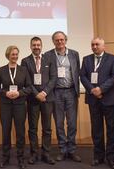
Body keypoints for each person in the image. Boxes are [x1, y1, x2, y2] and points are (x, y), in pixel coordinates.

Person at [80, 37, 114, 169]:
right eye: (92, 44)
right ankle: (98, 157)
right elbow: (83, 76)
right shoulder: (86, 59)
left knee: (112, 129)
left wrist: (101, 89)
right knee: (96, 129)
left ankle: (112, 157)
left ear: (104, 46)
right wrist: (92, 90)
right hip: (93, 99)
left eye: (97, 44)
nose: (94, 46)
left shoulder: (113, 59)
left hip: (109, 99)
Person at [44, 31, 81, 162]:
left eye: (62, 40)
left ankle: (71, 150)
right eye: (57, 40)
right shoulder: (48, 55)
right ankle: (62, 149)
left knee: (72, 123)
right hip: (56, 92)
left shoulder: (74, 54)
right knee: (59, 123)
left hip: (71, 91)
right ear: (53, 41)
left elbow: (77, 73)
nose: (60, 42)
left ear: (66, 40)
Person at [21, 37, 56, 165]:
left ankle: (46, 153)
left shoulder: (49, 59)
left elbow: (53, 78)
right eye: (34, 45)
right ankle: (34, 153)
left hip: (47, 98)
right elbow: (27, 81)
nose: (36, 47)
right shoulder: (25, 61)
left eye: (38, 45)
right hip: (33, 99)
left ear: (41, 46)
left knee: (47, 128)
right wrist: (37, 94)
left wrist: (44, 92)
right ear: (30, 46)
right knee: (33, 128)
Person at [0, 45, 32, 169]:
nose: (15, 56)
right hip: (5, 105)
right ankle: (5, 158)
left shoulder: (24, 70)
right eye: (12, 54)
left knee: (20, 132)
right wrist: (5, 93)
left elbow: (29, 87)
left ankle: (20, 158)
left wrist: (19, 93)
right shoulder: (1, 70)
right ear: (8, 55)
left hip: (20, 105)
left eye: (16, 54)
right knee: (6, 132)